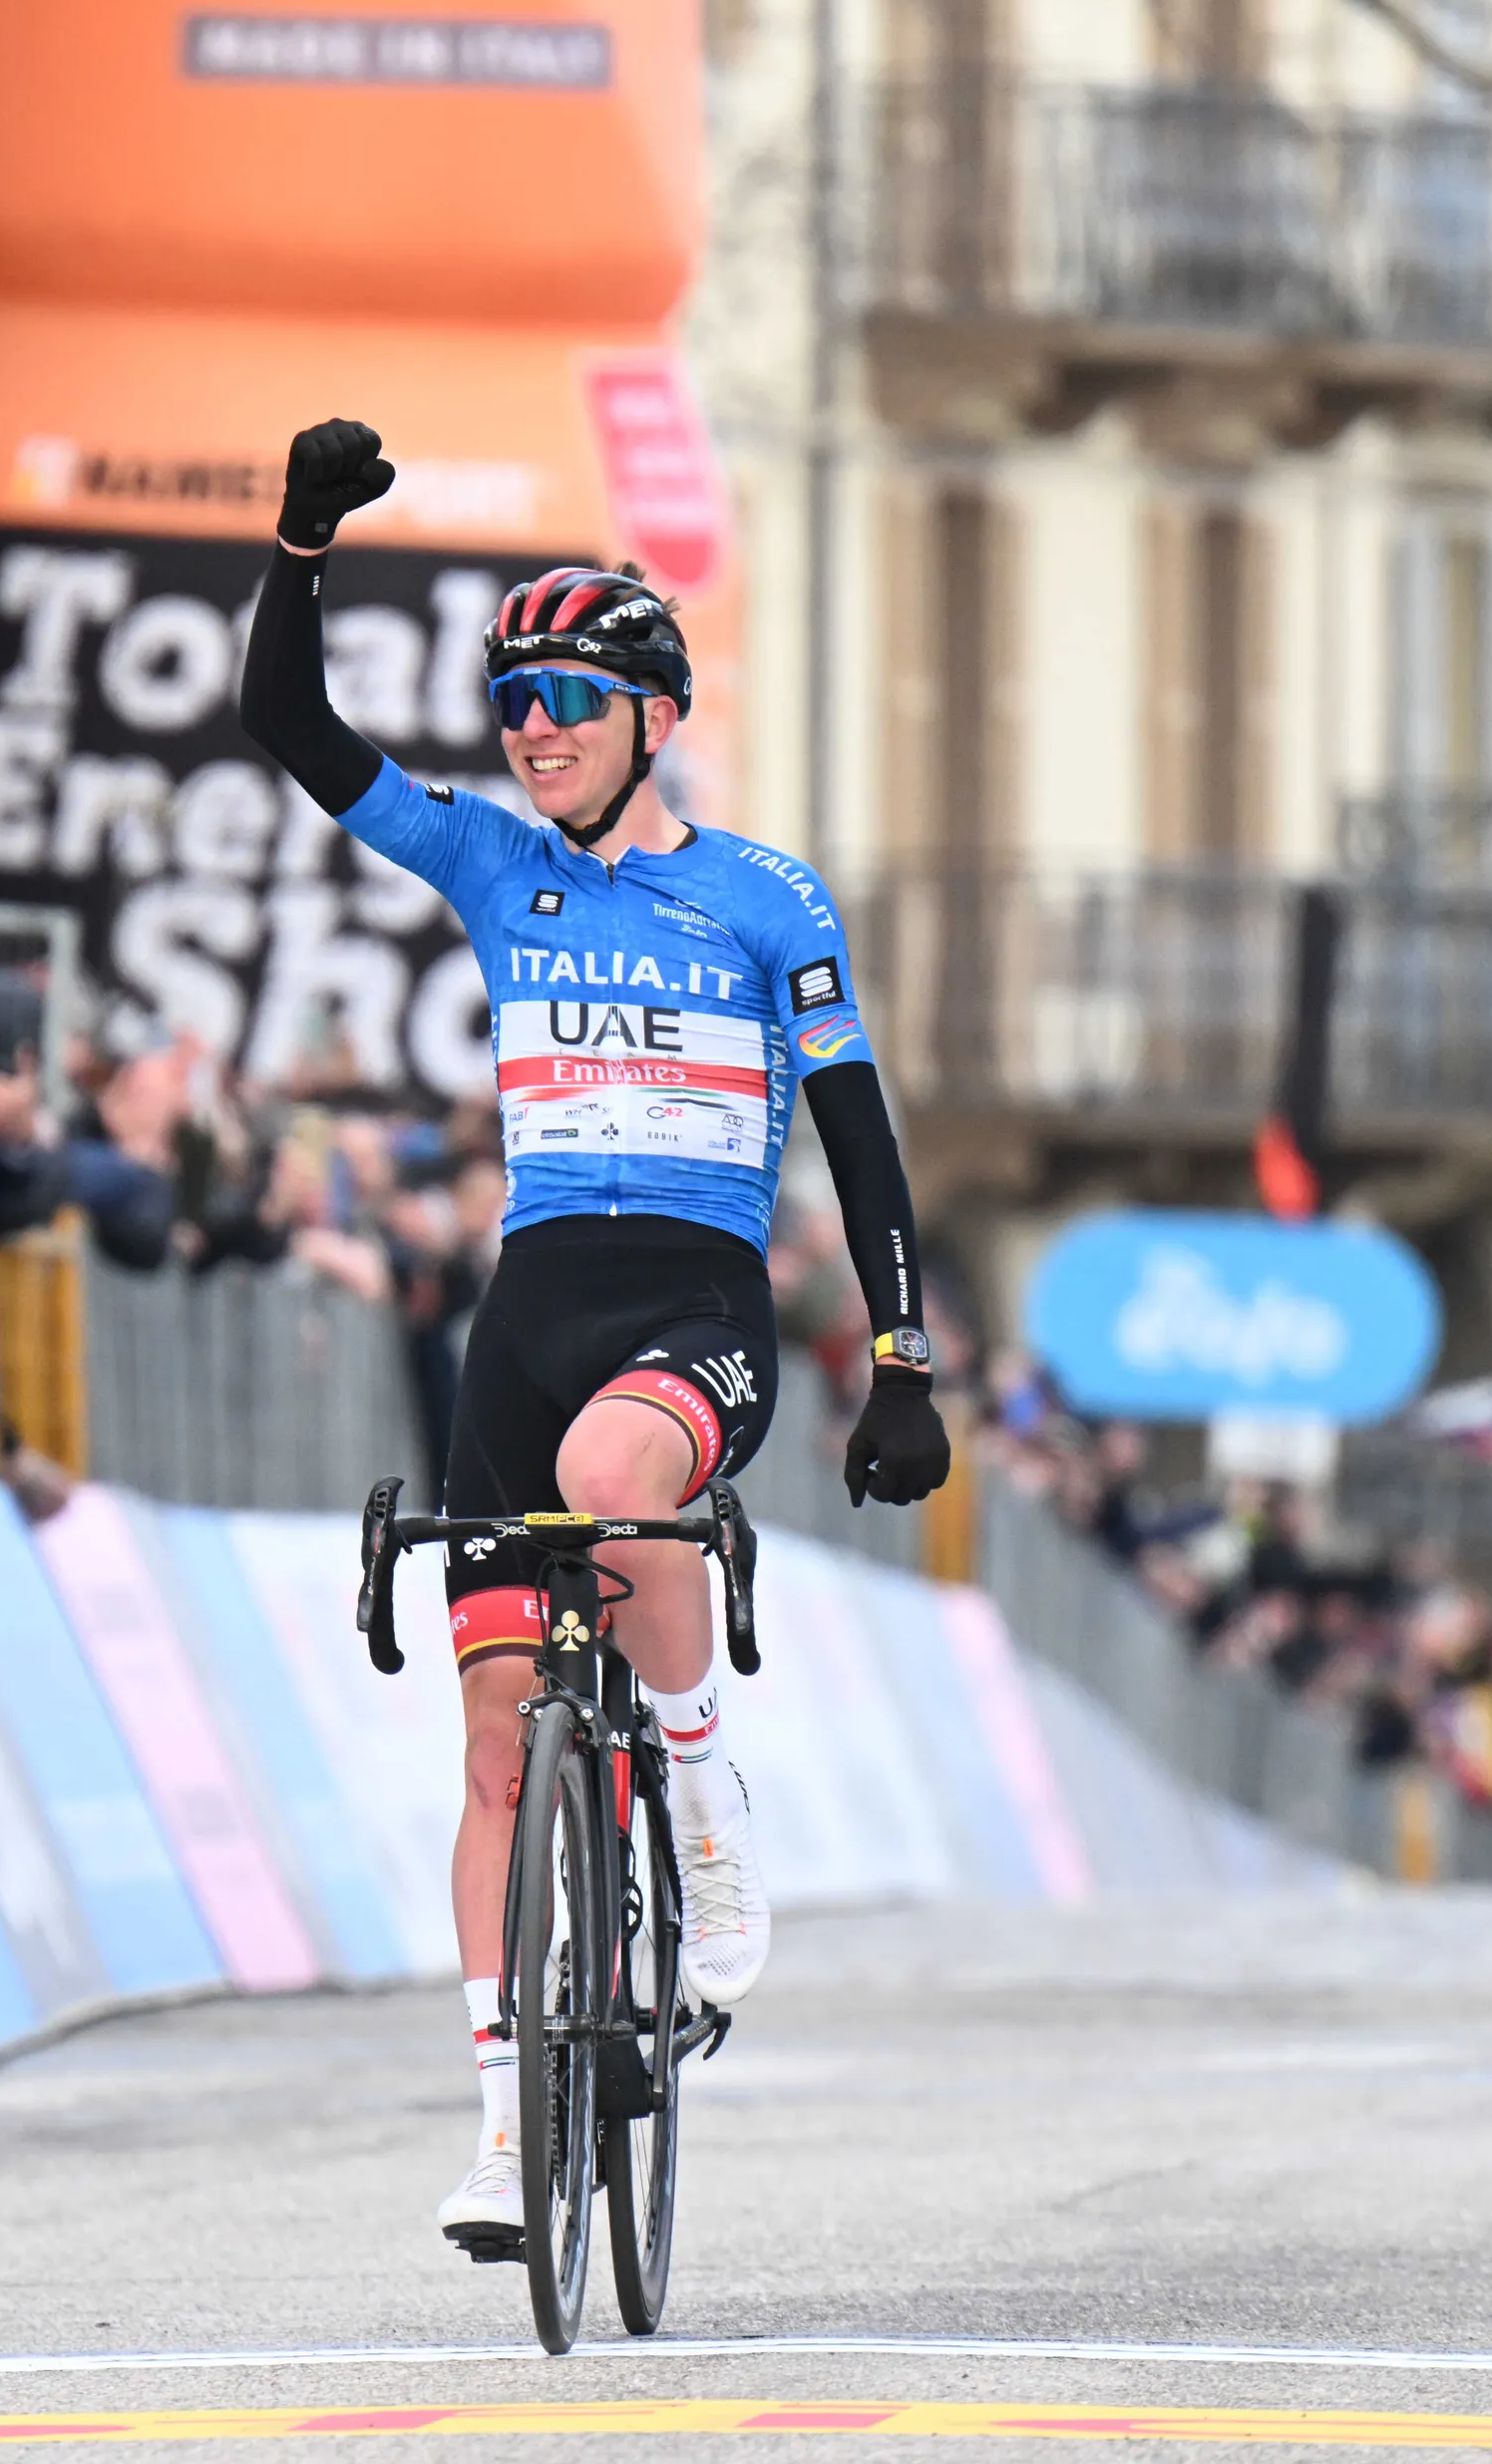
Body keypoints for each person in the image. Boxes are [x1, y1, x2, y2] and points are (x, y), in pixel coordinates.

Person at [237, 417, 951, 2257]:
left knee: (609, 1479)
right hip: (532, 1307)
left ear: (650, 712)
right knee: (491, 1746)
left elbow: (860, 1133)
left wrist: (904, 1358)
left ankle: (702, 1804)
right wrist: (303, 548)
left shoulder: (766, 896)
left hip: (695, 1301)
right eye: (510, 699)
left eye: (563, 693)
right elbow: (299, 735)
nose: (531, 725)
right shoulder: (490, 865)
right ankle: (501, 2130)